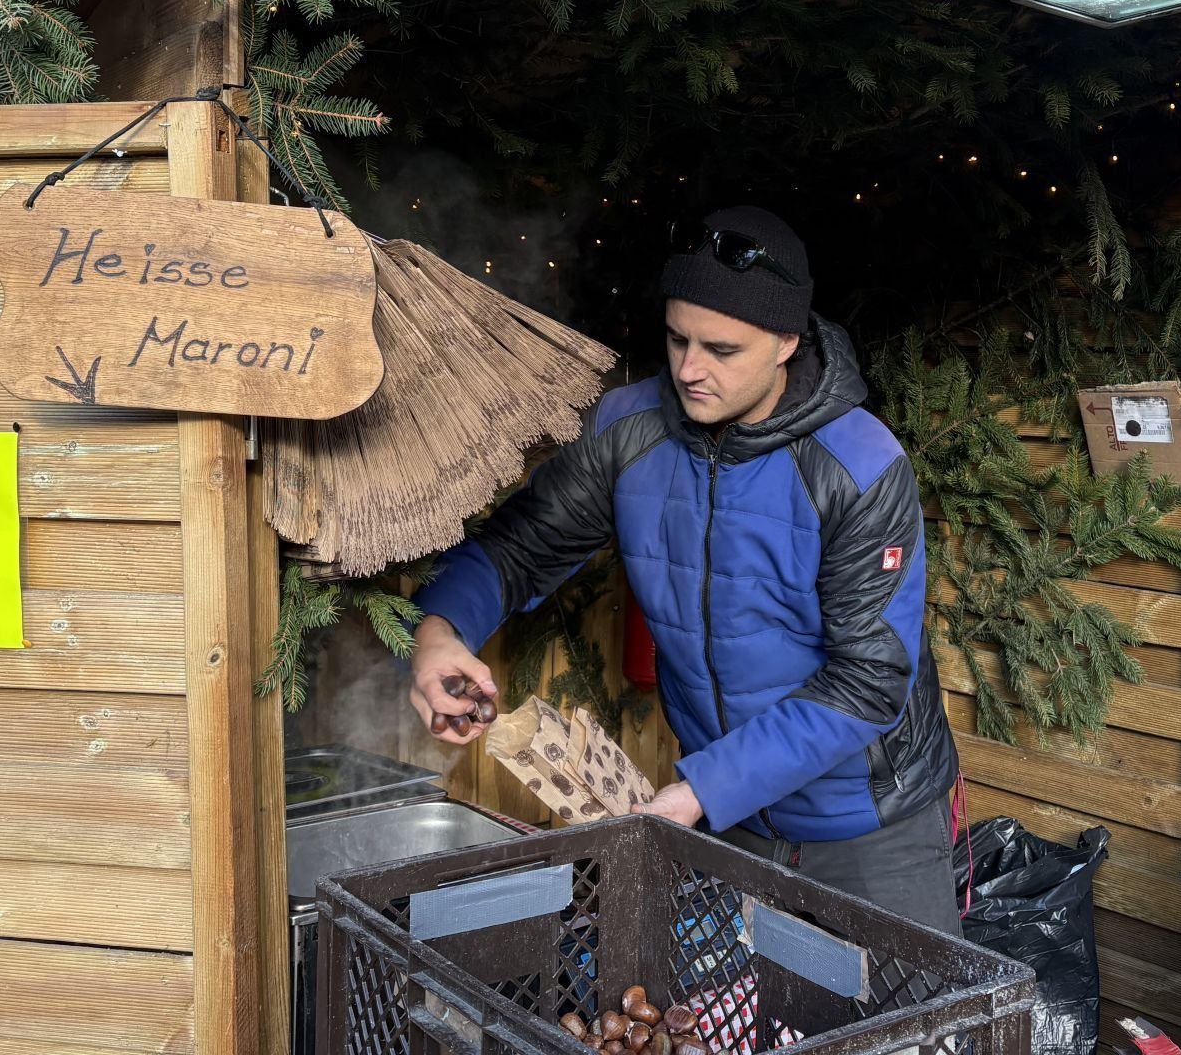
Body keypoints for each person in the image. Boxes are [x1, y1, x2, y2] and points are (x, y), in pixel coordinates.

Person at [404, 206, 962, 932]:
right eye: (677, 340)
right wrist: (439, 634)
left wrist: (704, 789)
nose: (690, 370)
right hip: (724, 817)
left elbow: (869, 678)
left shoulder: (860, 464)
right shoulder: (627, 429)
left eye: (722, 350)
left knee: (905, 1038)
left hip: (872, 825)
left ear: (788, 341)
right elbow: (519, 548)